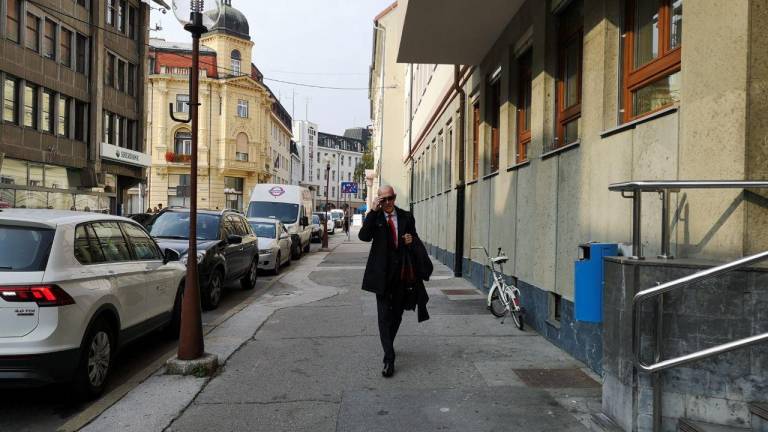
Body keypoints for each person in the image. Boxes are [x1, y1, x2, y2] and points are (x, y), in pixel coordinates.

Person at [358, 185, 417, 378]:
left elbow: (415, 240)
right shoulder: (375, 217)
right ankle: (389, 358)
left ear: (395, 197)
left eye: (390, 198)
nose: (388, 202)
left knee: (397, 315)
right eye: (383, 199)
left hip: (401, 275)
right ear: (379, 200)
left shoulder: (406, 217)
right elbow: (364, 236)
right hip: (381, 276)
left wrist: (410, 240)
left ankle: (388, 345)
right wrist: (372, 211)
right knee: (383, 317)